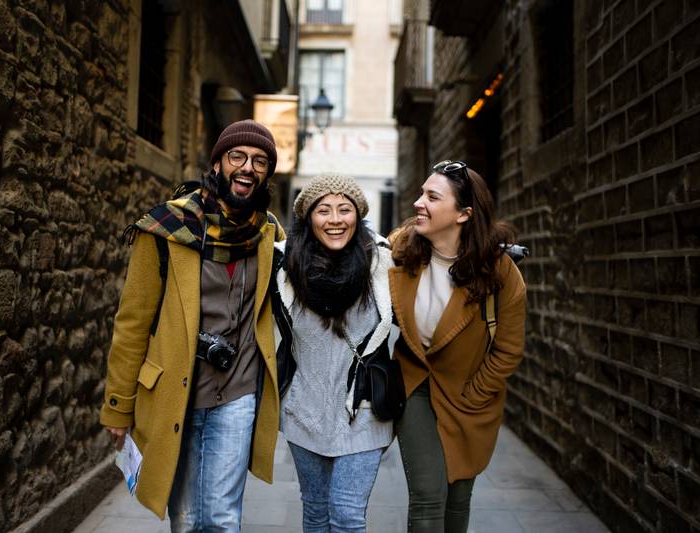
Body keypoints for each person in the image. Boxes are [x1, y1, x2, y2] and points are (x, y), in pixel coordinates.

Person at [100, 119, 286, 532]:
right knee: (186, 520)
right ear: (218, 163)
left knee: (221, 517)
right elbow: (132, 323)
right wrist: (118, 405)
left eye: (260, 161)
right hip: (175, 392)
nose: (248, 168)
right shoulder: (166, 228)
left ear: (267, 174)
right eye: (237, 156)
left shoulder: (269, 234)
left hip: (237, 391)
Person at [388, 160, 526, 533]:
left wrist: (474, 394)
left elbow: (509, 349)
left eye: (432, 197)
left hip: (470, 393)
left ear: (463, 214)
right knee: (429, 495)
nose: (419, 202)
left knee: (458, 495)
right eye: (421, 193)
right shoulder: (401, 251)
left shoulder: (499, 272)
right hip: (415, 384)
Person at [272, 174, 396, 533]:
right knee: (315, 513)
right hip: (304, 411)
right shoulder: (284, 265)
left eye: (345, 209)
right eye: (323, 210)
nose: (335, 219)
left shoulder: (380, 262)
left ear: (358, 215)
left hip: (363, 412)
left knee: (346, 516)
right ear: (308, 217)